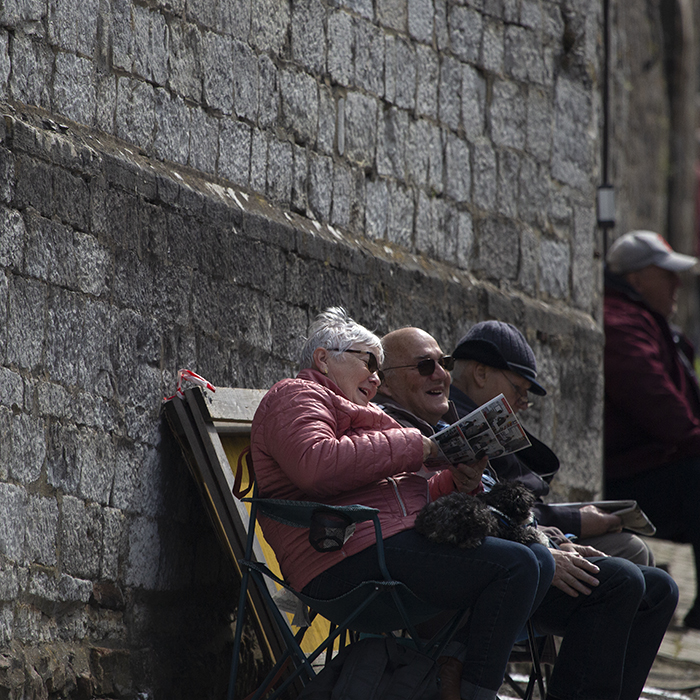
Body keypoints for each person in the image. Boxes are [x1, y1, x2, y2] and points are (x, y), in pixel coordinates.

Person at [251, 308, 555, 700]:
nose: (376, 379)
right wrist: (416, 445)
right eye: (368, 363)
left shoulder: (369, 413)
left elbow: (407, 496)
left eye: (380, 370)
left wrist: (458, 482)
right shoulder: (296, 394)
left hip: (384, 542)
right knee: (515, 566)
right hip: (340, 558)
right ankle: (470, 690)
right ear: (324, 357)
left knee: (535, 558)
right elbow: (316, 465)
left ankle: (454, 669)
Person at [375, 325, 678, 700]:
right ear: (383, 383)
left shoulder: (447, 427)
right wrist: (545, 549)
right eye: (425, 366)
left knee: (660, 588)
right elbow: (436, 518)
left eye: (444, 363)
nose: (442, 374)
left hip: (506, 557)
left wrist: (552, 540)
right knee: (623, 579)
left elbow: (493, 503)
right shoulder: (390, 434)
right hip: (470, 576)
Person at [448, 320, 652, 565]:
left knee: (637, 554)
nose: (522, 403)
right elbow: (496, 504)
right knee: (632, 552)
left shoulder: (487, 420)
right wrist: (575, 521)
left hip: (534, 531)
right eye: (518, 389)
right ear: (480, 373)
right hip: (512, 544)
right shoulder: (465, 423)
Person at [603, 229, 700, 628]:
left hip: (652, 461)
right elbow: (657, 403)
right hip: (629, 474)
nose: (677, 284)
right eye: (667, 274)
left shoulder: (643, 318)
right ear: (638, 279)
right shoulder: (621, 321)